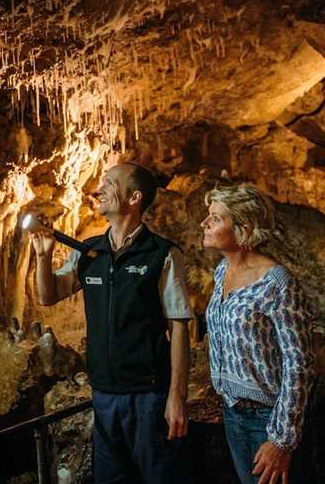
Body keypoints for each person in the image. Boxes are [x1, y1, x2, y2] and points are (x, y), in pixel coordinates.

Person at [30, 163, 193, 484]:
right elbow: (49, 296)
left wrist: (177, 397)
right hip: (103, 392)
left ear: (134, 198)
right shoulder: (89, 251)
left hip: (148, 395)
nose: (99, 190)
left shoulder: (162, 254)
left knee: (158, 476)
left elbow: (178, 328)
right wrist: (42, 257)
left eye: (109, 183)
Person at [202, 184, 315, 484]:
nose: (205, 223)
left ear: (244, 227)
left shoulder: (276, 283)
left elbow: (298, 364)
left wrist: (282, 440)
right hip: (232, 413)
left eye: (215, 218)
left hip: (268, 419)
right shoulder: (221, 272)